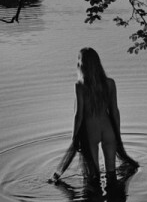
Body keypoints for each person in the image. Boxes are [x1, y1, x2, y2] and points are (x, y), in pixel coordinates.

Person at [51, 48, 138, 184]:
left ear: (81, 65)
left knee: (94, 175)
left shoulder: (80, 86)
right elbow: (114, 111)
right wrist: (117, 133)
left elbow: (79, 115)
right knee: (111, 173)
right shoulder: (110, 83)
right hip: (109, 130)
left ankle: (95, 195)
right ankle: (113, 194)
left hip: (91, 131)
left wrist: (74, 137)